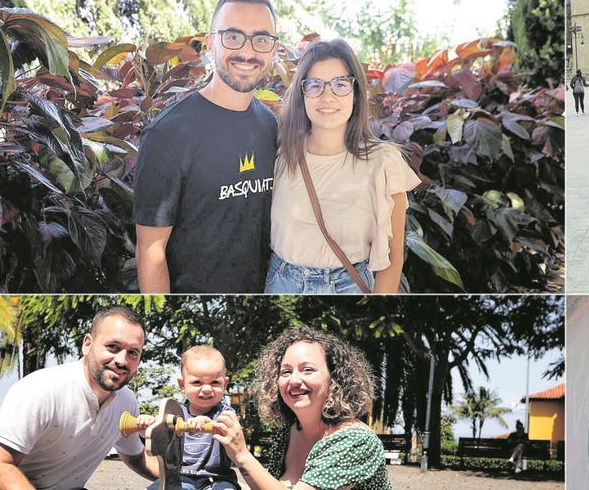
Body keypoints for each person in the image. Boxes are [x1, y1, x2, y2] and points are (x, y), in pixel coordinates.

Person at [133, 0, 279, 293]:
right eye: (234, 36)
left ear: (274, 49)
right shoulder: (169, 134)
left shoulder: (269, 125)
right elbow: (150, 251)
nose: (248, 52)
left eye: (261, 39)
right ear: (211, 43)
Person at [266, 39, 420, 294]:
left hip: (350, 287)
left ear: (356, 92)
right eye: (315, 85)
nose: (327, 97)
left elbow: (393, 259)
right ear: (302, 93)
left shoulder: (384, 163)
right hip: (280, 283)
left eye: (340, 84)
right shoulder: (280, 157)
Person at [0, 307, 157, 489]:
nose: (122, 361)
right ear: (87, 344)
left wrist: (181, 473)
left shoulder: (126, 402)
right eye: (113, 347)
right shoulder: (42, 389)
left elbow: (137, 458)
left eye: (133, 352)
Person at [212, 326, 391, 489]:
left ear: (334, 380)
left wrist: (242, 455)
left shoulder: (355, 440)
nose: (294, 380)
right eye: (286, 372)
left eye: (307, 370)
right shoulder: (286, 434)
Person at [138, 345, 238, 490]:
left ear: (225, 384)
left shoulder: (226, 413)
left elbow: (229, 431)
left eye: (215, 382)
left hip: (217, 478)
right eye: (197, 382)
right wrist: (145, 428)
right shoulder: (174, 413)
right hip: (179, 476)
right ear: (182, 384)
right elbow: (157, 439)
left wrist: (208, 423)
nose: (206, 389)